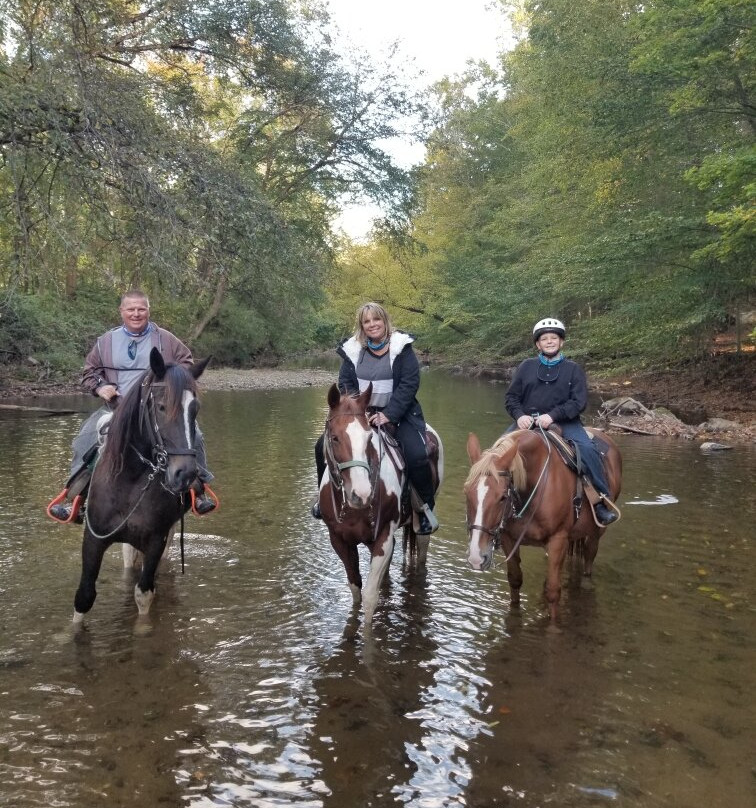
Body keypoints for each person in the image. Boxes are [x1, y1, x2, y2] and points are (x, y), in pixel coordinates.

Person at [48, 290, 216, 521]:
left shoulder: (167, 339)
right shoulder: (105, 341)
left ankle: (198, 492)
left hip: (157, 408)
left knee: (194, 435)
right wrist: (100, 387)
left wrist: (172, 383)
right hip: (117, 408)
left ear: (148, 311)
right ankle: (76, 499)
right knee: (84, 438)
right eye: (131, 309)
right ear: (122, 312)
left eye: (141, 309)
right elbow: (90, 372)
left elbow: (186, 367)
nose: (136, 314)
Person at [313, 302, 439, 534]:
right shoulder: (353, 350)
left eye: (376, 320)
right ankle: (323, 500)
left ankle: (424, 509)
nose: (372, 325)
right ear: (362, 326)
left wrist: (388, 414)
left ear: (385, 321)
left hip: (400, 414)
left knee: (417, 454)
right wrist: (360, 412)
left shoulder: (402, 348)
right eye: (367, 321)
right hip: (361, 414)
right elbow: (346, 384)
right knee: (322, 445)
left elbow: (409, 384)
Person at [505, 317, 618, 526]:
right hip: (526, 422)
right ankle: (493, 510)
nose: (549, 341)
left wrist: (553, 416)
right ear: (538, 344)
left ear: (561, 342)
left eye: (554, 338)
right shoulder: (525, 367)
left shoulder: (573, 369)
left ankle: (600, 501)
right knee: (496, 454)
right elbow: (511, 398)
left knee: (588, 450)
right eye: (544, 339)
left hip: (565, 422)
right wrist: (519, 415)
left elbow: (579, 402)